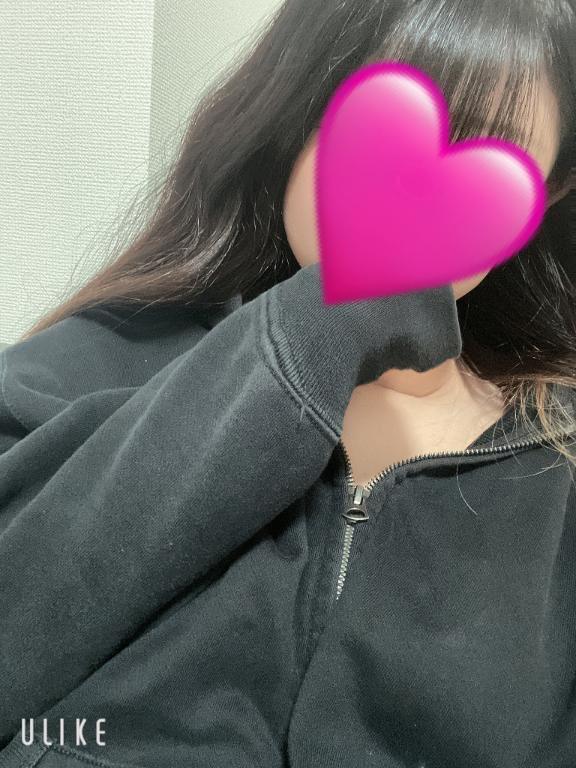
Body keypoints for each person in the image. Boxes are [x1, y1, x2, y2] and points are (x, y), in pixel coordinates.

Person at [0, 0, 575, 766]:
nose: (411, 188)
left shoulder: (557, 468)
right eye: (375, 121)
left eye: (488, 152)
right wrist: (330, 317)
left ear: (545, 197)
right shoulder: (95, 364)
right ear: (295, 110)